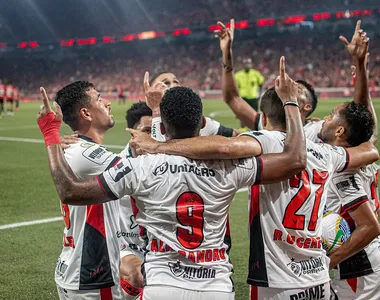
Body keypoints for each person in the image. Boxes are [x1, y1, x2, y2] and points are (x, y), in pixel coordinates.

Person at [37, 57, 308, 300]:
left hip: (160, 284)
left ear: (162, 126)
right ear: (201, 125)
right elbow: (293, 161)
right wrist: (292, 105)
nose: (106, 101)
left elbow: (72, 190)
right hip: (216, 285)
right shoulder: (231, 166)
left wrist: (51, 133)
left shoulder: (142, 167)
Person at [305, 21, 380, 299]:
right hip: (362, 266)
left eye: (331, 115)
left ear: (339, 131)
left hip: (358, 271)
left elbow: (370, 226)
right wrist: (360, 66)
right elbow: (362, 117)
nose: (325, 117)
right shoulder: (360, 147)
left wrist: (328, 262)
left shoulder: (342, 171)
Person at [45, 81, 124, 300]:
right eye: (99, 98)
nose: (107, 103)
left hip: (77, 269)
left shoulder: (79, 150)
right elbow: (141, 170)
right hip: (93, 275)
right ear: (86, 113)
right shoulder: (86, 154)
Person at [217, 19, 317, 130]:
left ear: (307, 107)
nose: (289, 88)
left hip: (253, 98)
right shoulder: (266, 127)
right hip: (245, 98)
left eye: (298, 90)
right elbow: (232, 97)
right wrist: (226, 52)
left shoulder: (313, 133)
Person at [148, 71, 241, 137]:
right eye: (165, 83)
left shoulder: (196, 120)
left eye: (176, 82)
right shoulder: (145, 124)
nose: (173, 86)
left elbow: (237, 135)